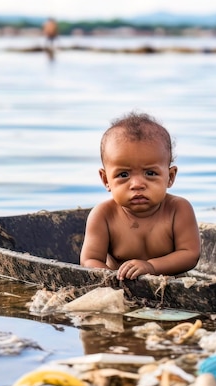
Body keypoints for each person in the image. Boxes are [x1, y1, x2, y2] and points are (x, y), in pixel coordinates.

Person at [80, 111, 201, 280]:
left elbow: (190, 254)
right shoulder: (103, 215)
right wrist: (112, 280)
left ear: (170, 177)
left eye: (150, 173)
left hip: (171, 286)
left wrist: (151, 267)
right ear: (106, 180)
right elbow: (89, 260)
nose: (137, 184)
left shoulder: (178, 209)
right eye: (123, 175)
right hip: (121, 287)